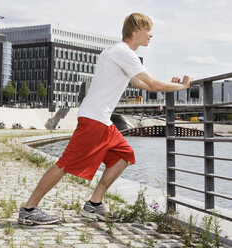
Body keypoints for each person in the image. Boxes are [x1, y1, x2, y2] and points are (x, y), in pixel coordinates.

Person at [17, 13, 192, 226]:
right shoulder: (123, 52)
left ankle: (94, 204)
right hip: (94, 119)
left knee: (124, 155)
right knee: (65, 164)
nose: (151, 35)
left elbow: (141, 84)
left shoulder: (118, 53)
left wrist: (170, 84)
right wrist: (182, 86)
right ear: (136, 31)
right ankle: (29, 209)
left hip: (102, 120)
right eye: (148, 30)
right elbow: (153, 84)